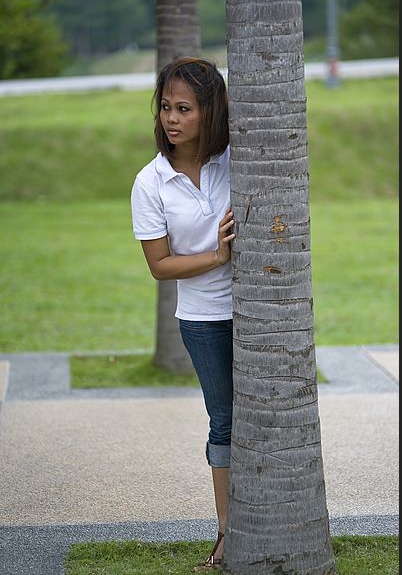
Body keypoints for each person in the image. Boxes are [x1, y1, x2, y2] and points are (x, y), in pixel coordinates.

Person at [130, 57, 234, 571]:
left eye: (185, 109)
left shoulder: (238, 160)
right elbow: (159, 264)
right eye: (167, 107)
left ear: (209, 113)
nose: (172, 118)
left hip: (262, 312)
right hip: (204, 318)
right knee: (226, 420)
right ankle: (225, 533)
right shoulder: (150, 183)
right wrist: (217, 256)